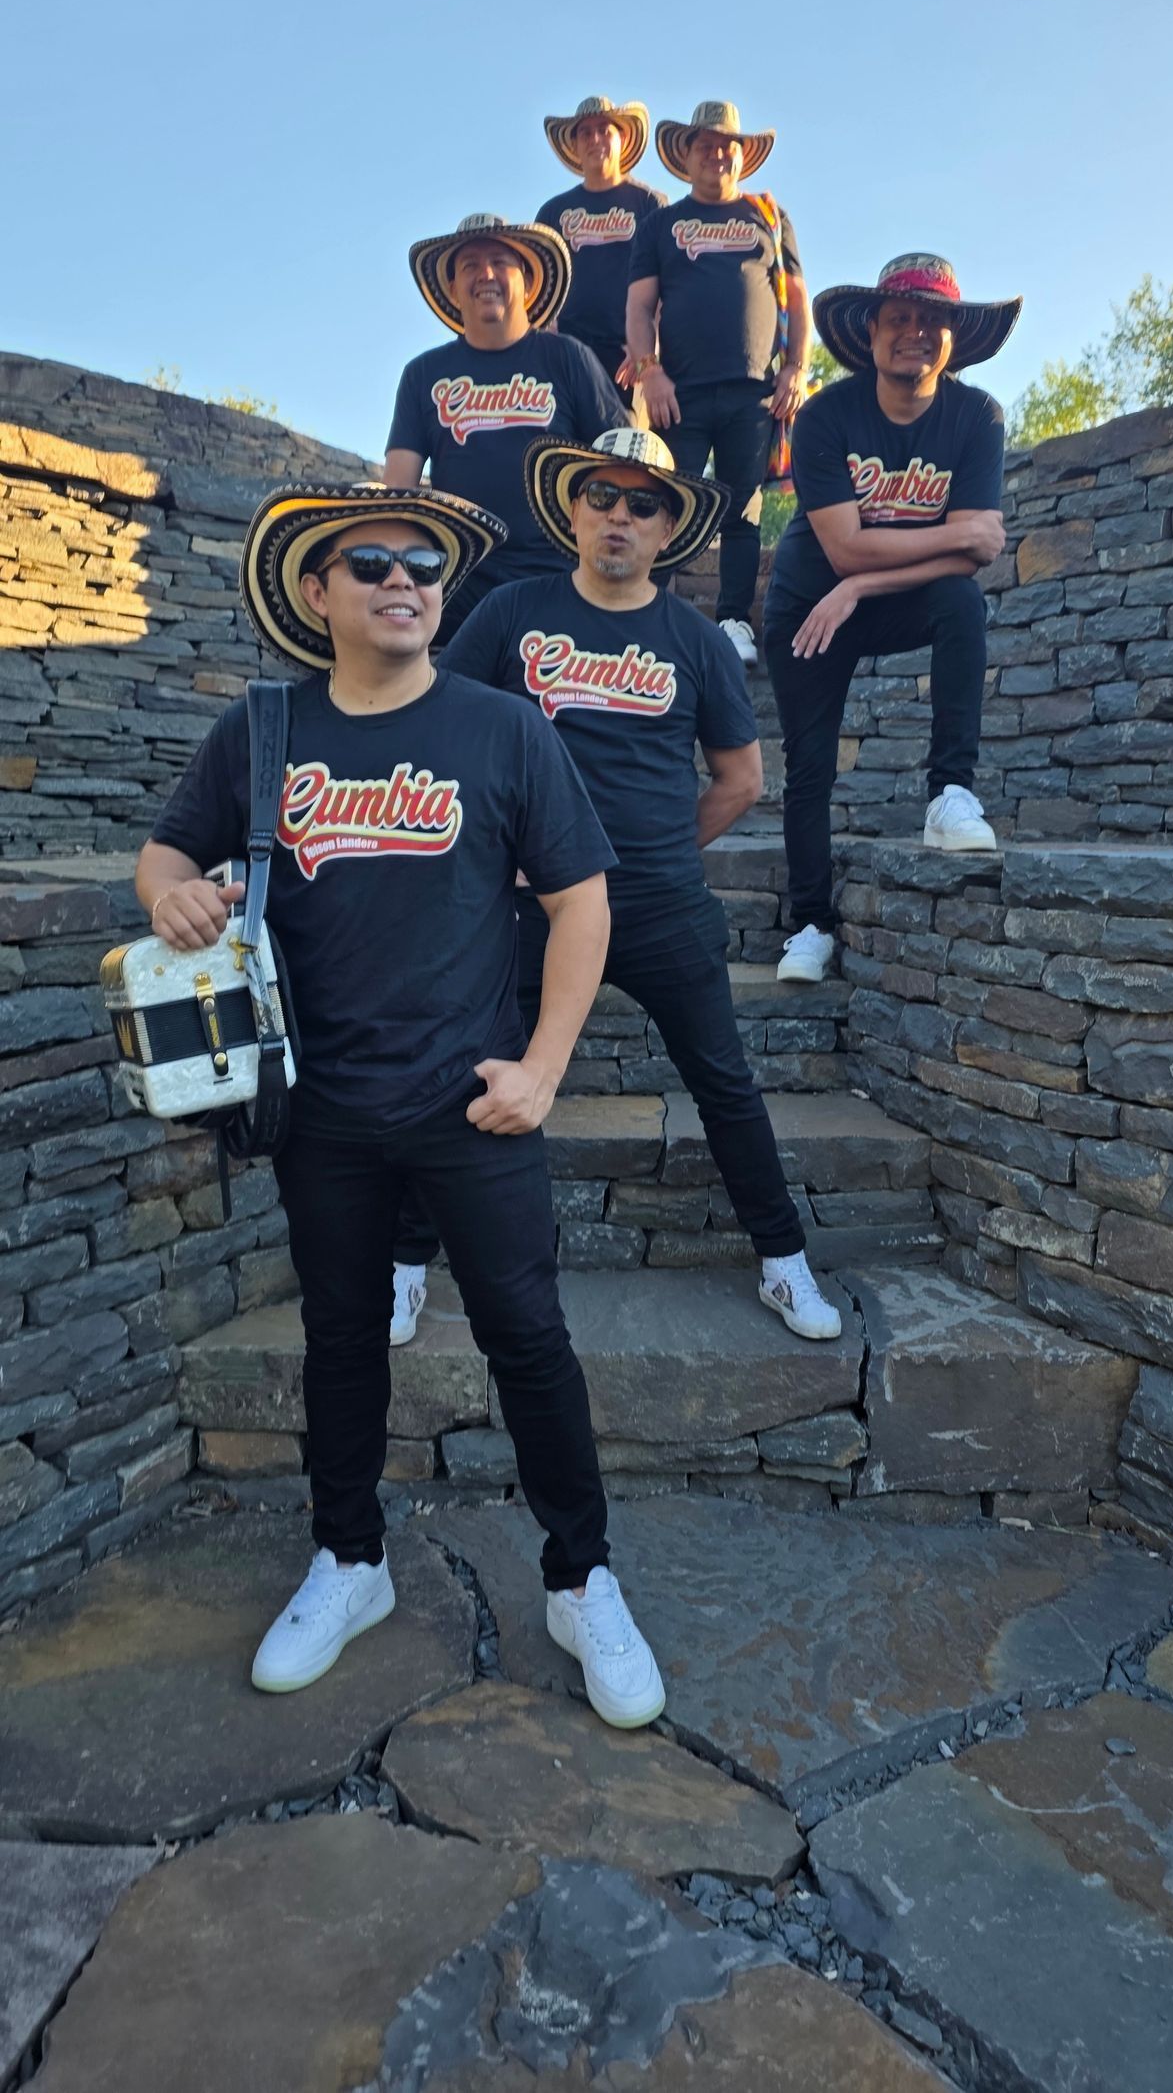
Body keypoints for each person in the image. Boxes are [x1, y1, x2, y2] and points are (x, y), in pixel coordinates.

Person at [135, 482, 664, 1729]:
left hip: (468, 1106)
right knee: (337, 1339)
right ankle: (350, 1559)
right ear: (315, 593)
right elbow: (165, 853)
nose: (402, 578)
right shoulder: (261, 733)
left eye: (423, 561)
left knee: (528, 1338)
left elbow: (580, 899)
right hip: (316, 1111)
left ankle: (580, 1575)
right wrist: (168, 895)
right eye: (366, 560)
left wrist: (541, 1067)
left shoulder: (502, 730)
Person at [397, 428, 841, 1345]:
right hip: (521, 909)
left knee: (724, 1083)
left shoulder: (696, 640)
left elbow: (741, 780)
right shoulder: (512, 610)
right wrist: (498, 847)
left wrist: (645, 852)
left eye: (643, 503)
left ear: (669, 527)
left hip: (660, 905)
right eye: (601, 495)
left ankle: (784, 1262)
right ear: (571, 507)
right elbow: (436, 729)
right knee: (464, 1075)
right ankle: (403, 1264)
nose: (619, 515)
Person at [764, 255, 1019, 984]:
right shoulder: (825, 417)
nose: (916, 332)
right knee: (810, 767)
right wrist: (950, 539)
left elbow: (971, 565)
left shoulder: (976, 416)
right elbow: (848, 548)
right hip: (808, 608)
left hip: (875, 598)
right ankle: (810, 926)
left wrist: (862, 585)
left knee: (961, 603)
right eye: (900, 318)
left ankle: (949, 795)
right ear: (871, 333)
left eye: (933, 320)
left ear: (953, 336)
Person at [384, 214, 628, 643]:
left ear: (529, 282)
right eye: (470, 266)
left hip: (558, 581)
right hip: (457, 584)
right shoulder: (423, 375)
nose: (486, 275)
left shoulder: (569, 359)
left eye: (500, 260)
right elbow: (396, 495)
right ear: (453, 288)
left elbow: (620, 465)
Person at [626, 101, 810, 667]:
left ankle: (732, 621)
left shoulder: (770, 219)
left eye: (727, 143)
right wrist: (649, 371)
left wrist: (796, 369)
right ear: (686, 154)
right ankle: (650, 617)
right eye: (705, 143)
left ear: (742, 154)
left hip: (753, 390)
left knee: (741, 509)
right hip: (676, 392)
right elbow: (638, 307)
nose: (717, 153)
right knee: (666, 504)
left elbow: (798, 302)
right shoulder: (660, 224)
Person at [537, 95, 666, 393]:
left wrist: (650, 348)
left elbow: (667, 280)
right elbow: (537, 285)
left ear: (622, 138)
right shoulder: (552, 212)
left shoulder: (649, 203)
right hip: (566, 353)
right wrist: (546, 332)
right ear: (575, 145)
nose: (595, 139)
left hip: (627, 354)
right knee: (564, 440)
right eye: (585, 132)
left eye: (604, 130)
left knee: (625, 436)